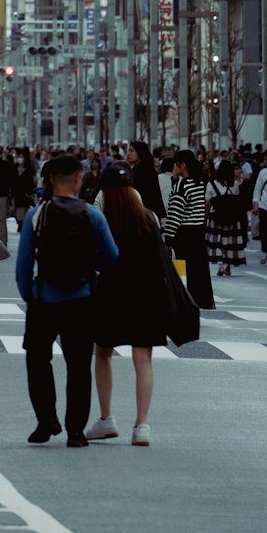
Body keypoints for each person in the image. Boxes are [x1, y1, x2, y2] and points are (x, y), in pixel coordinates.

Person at [15, 155, 118, 447]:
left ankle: (46, 421)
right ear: (78, 179)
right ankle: (76, 430)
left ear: (49, 180)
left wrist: (31, 296)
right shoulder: (93, 215)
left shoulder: (37, 215)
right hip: (82, 299)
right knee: (78, 365)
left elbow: (23, 266)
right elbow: (112, 257)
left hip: (44, 299)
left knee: (37, 361)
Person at [87, 165, 167, 447]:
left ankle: (106, 418)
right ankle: (141, 425)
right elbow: (161, 263)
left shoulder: (102, 219)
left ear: (105, 191)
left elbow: (96, 259)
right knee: (143, 360)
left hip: (111, 294)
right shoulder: (149, 219)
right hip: (146, 296)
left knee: (103, 353)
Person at [163, 150, 214, 310]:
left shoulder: (182, 185)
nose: (174, 167)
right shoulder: (199, 182)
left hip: (184, 233)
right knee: (198, 269)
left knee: (183, 269)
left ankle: (184, 300)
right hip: (198, 231)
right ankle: (201, 299)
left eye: (176, 164)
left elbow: (175, 213)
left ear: (182, 165)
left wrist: (168, 238)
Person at [205, 158, 246, 277]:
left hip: (216, 217)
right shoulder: (235, 184)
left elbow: (207, 202)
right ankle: (228, 264)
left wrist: (205, 214)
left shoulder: (211, 184)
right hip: (232, 218)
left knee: (217, 242)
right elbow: (237, 200)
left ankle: (220, 265)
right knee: (228, 242)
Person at [125, 141, 165, 221]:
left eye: (131, 150)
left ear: (140, 152)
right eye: (128, 151)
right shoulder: (148, 169)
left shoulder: (141, 171)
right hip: (150, 214)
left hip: (142, 214)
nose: (128, 153)